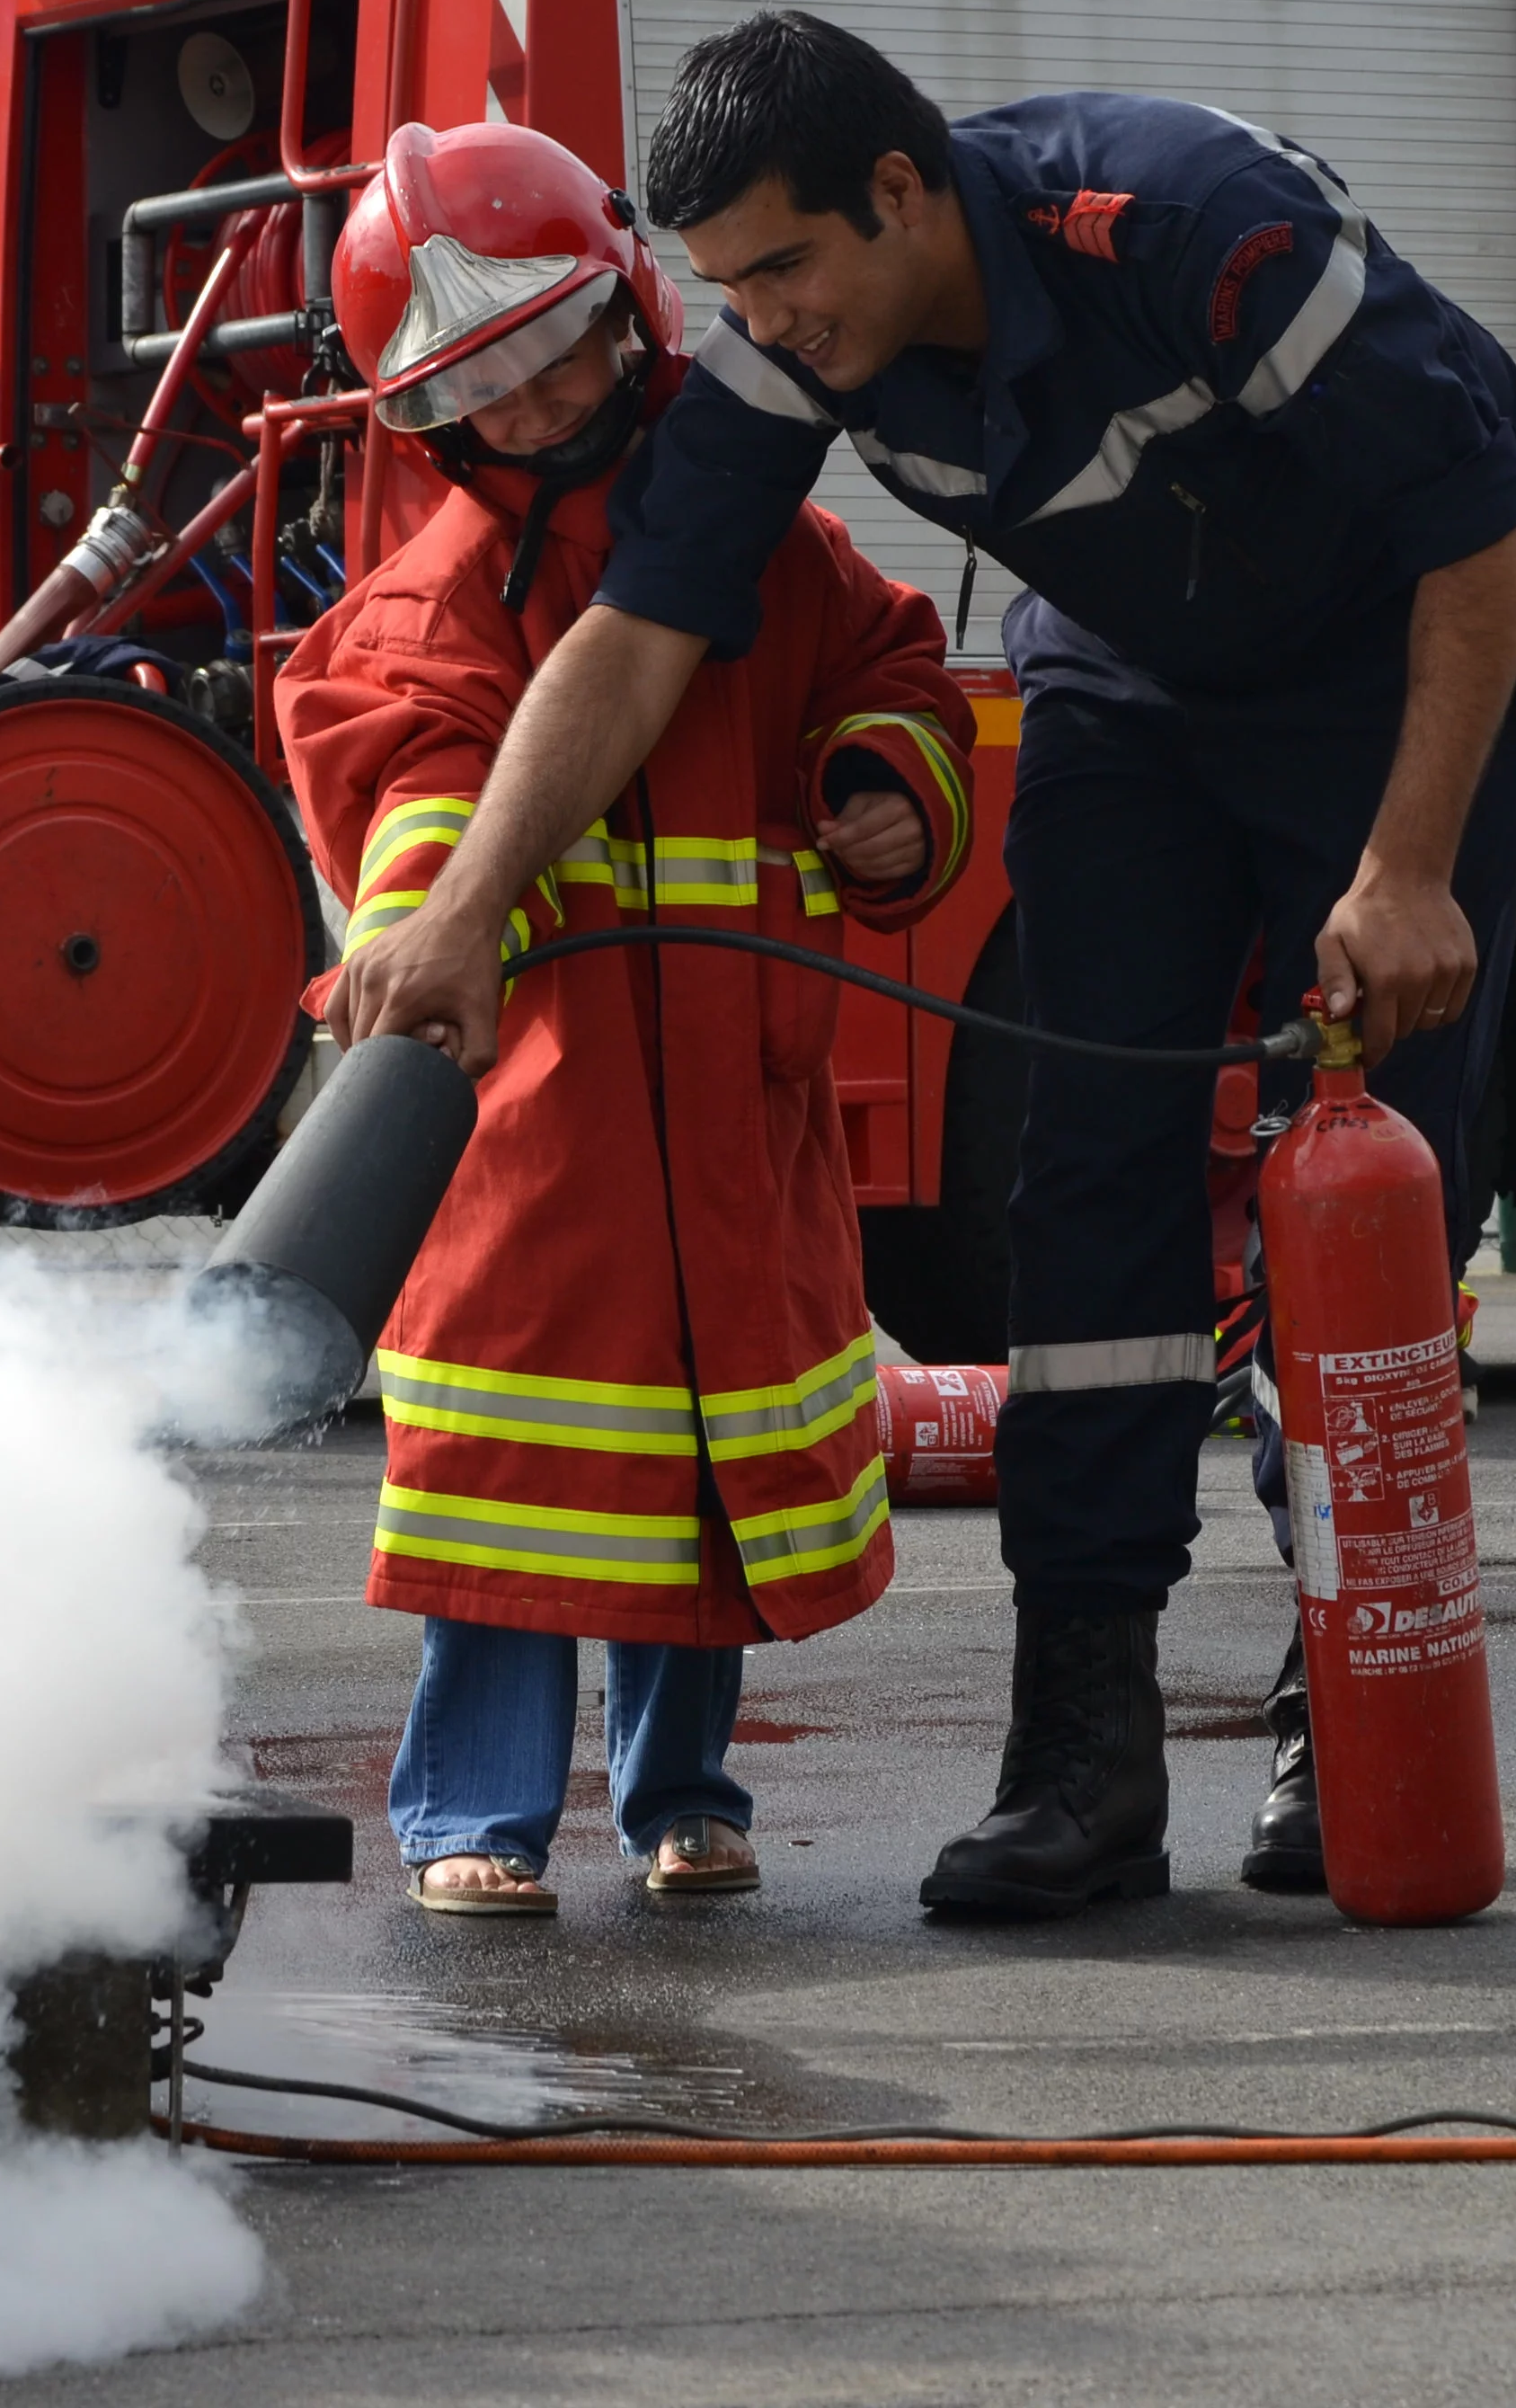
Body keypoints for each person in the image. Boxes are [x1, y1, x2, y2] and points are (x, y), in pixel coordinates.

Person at [328, 15, 1516, 1922]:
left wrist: (1408, 867)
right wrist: (470, 905)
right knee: (1082, 1181)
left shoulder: (1202, 231)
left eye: (786, 271)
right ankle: (1084, 1754)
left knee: (1382, 1180)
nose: (761, 323)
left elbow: (1485, 535)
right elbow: (642, 635)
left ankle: (1352, 1695)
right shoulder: (780, 324)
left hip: (1379, 672)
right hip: (1132, 679)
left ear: (899, 196)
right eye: (723, 286)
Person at [278, 120, 975, 1912]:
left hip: (732, 1116)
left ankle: (687, 1794)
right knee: (512, 1495)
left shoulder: (770, 544)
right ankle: (474, 1817)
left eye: (543, 356)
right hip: (538, 1135)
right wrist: (450, 899)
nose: (520, 409)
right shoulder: (434, 589)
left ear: (625, 309)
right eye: (473, 389)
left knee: (705, 1476)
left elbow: (894, 661)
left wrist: (889, 773)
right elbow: (397, 761)